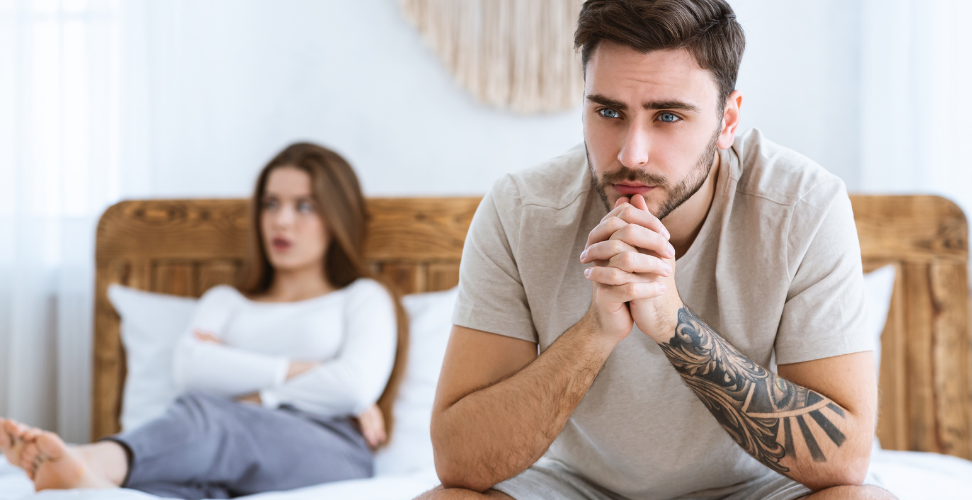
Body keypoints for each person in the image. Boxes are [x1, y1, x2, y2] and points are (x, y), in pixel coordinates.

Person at [423, 1, 895, 499]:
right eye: (608, 111)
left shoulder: (803, 207)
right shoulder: (521, 210)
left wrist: (673, 323)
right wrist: (595, 333)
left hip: (756, 490)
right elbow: (458, 462)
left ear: (727, 120)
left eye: (667, 116)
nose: (630, 154)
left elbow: (846, 459)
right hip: (574, 488)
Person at [0, 142, 408, 499]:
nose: (281, 221)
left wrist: (252, 396)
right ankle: (93, 484)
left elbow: (353, 385)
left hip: (329, 448)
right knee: (185, 485)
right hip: (220, 451)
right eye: (271, 203)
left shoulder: (363, 297)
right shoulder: (225, 300)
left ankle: (94, 457)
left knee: (207, 416)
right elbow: (191, 368)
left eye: (304, 206)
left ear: (338, 216)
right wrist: (308, 371)